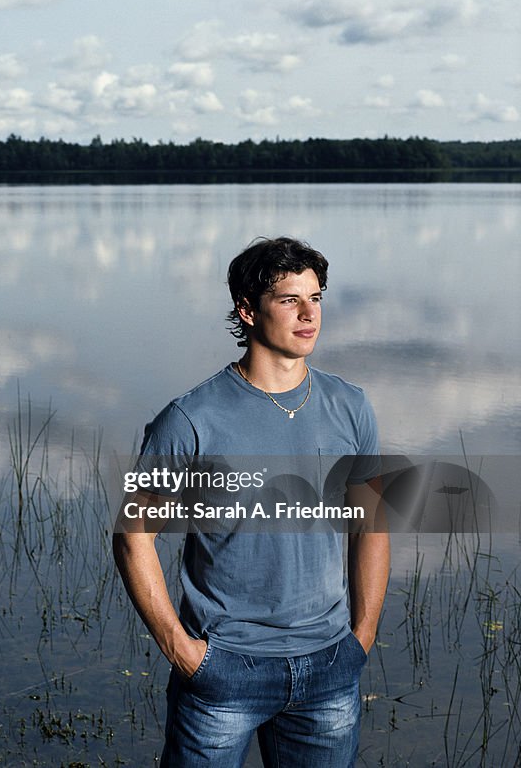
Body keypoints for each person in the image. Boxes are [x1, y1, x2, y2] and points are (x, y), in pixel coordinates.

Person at [113, 237, 389, 767]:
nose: (309, 314)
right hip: (223, 671)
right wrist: (182, 651)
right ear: (247, 310)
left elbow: (371, 524)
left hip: (329, 667)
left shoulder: (350, 405)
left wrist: (363, 635)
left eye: (316, 298)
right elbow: (133, 537)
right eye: (290, 300)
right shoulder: (191, 418)